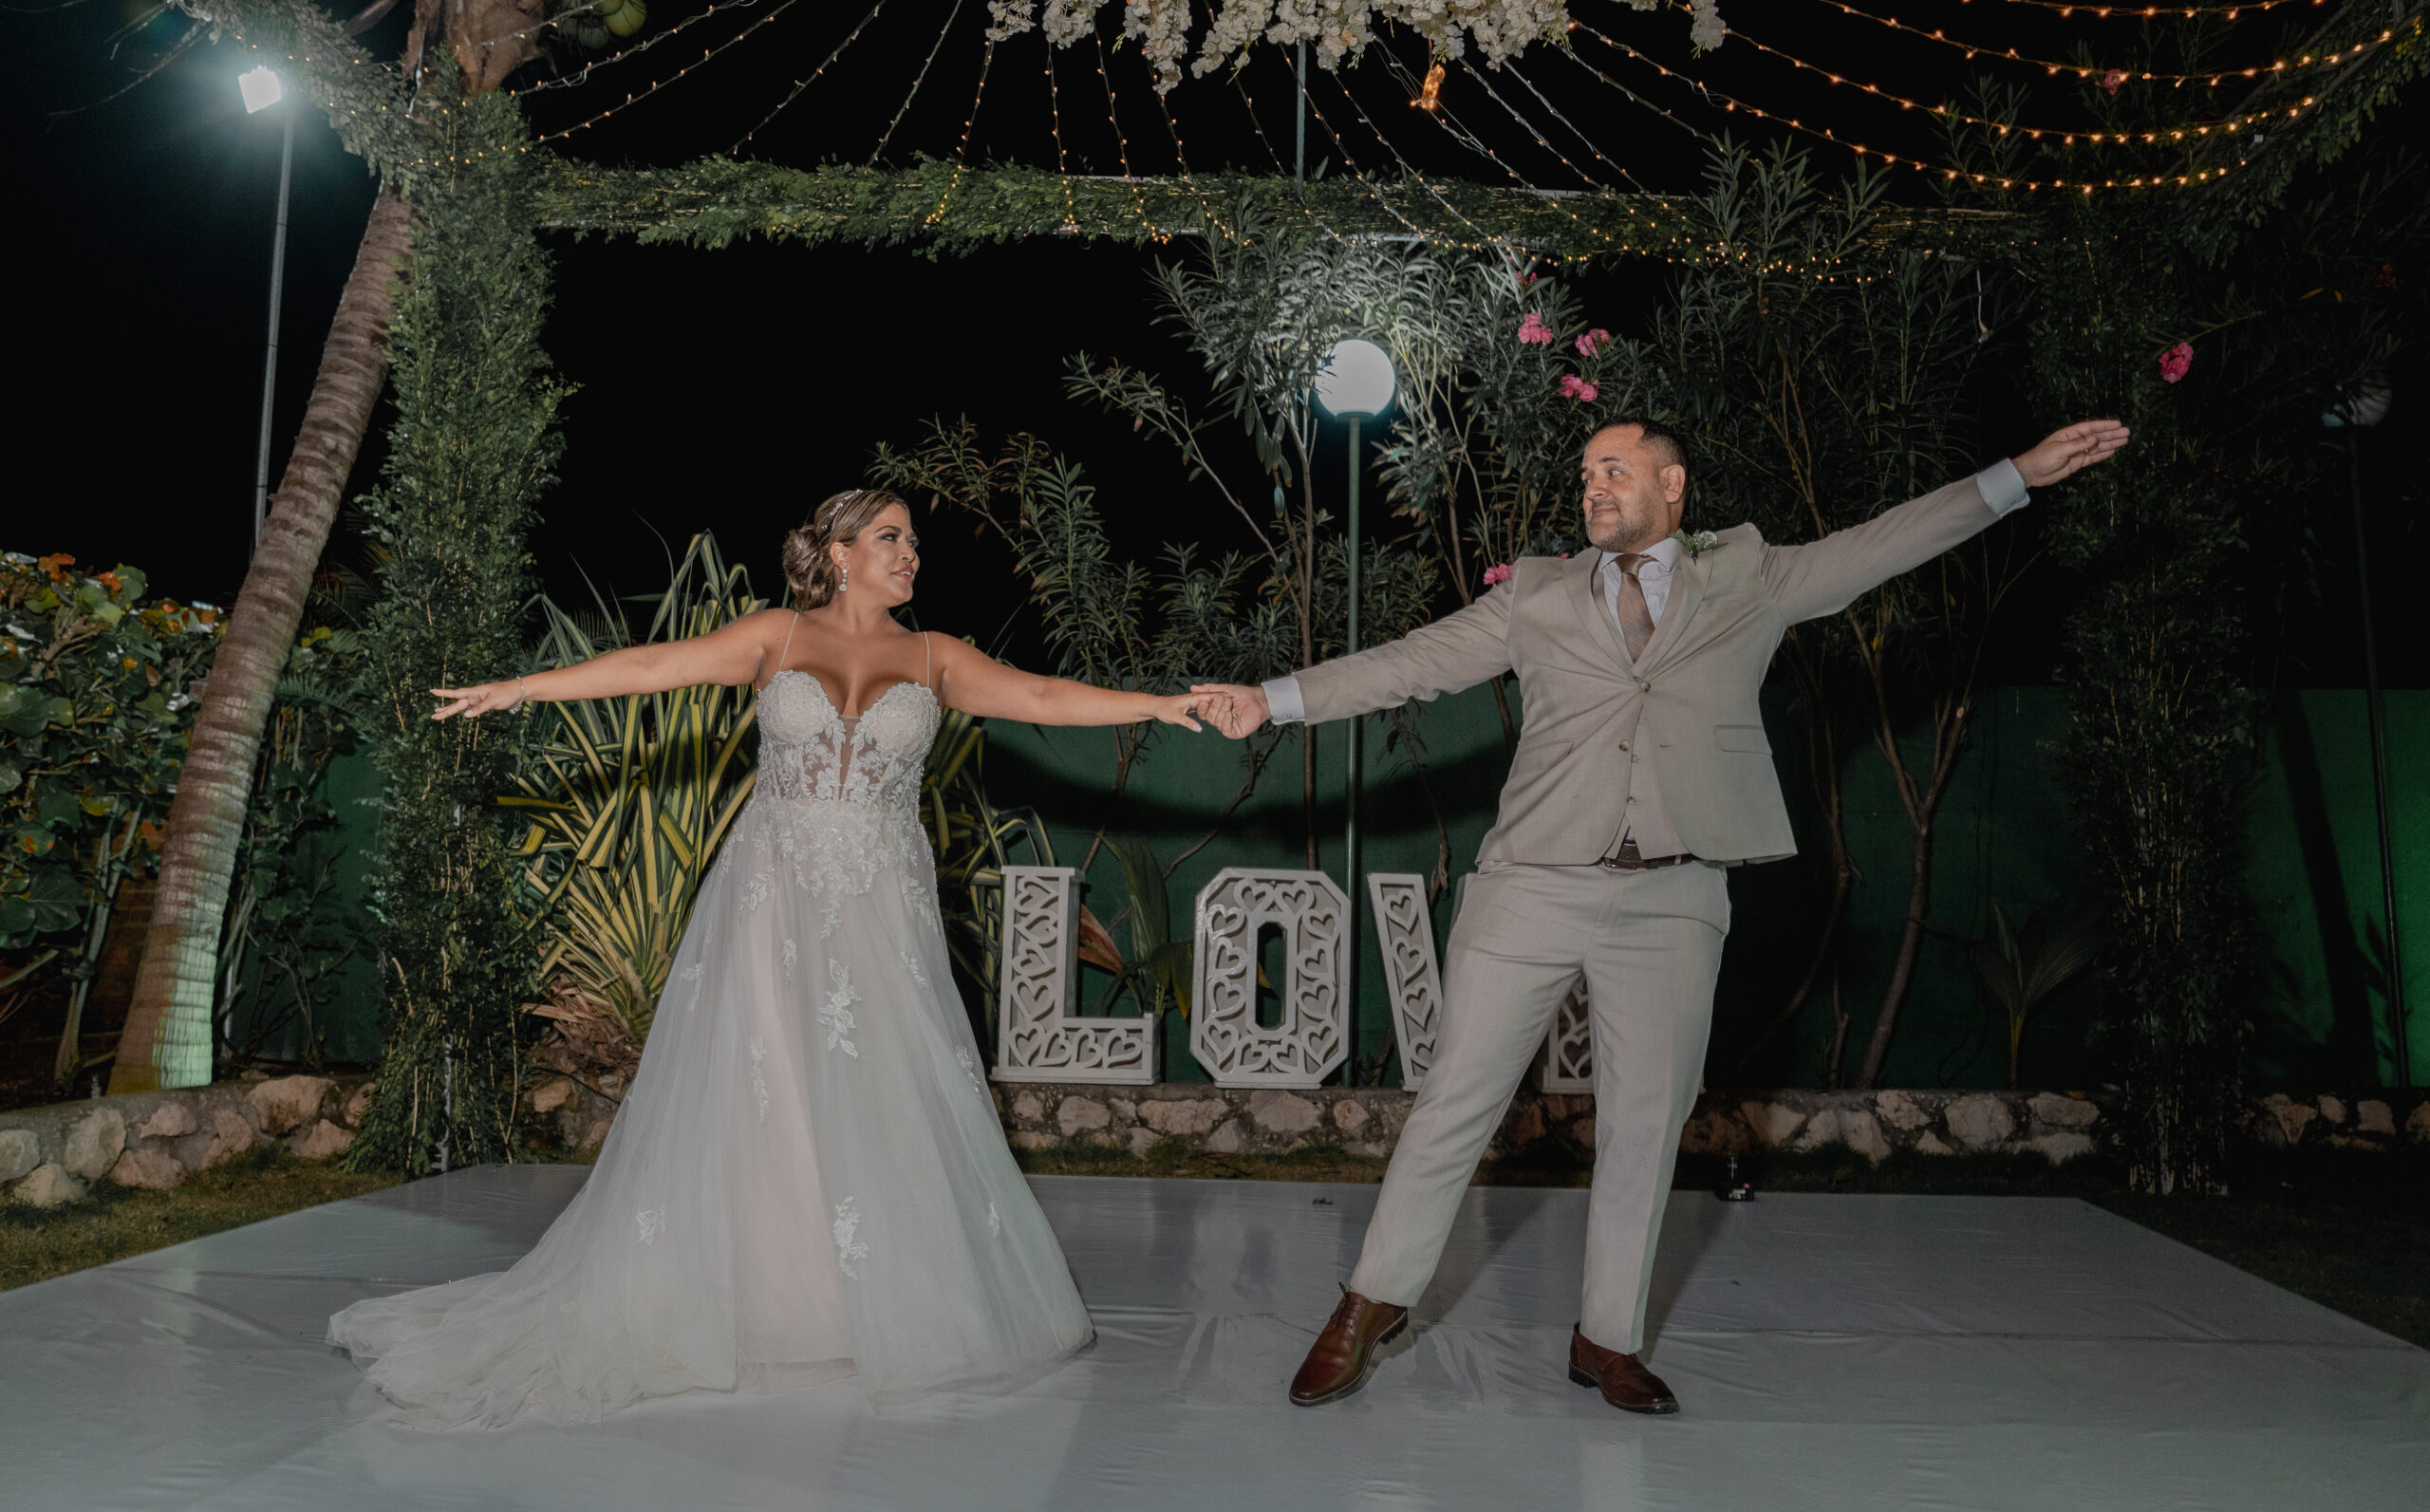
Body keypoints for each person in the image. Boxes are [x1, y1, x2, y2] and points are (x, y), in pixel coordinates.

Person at [1191, 416, 2129, 1416]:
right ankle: (1370, 1304)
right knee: (1454, 1099)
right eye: (1584, 472)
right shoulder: (1537, 593)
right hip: (1531, 883)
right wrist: (1273, 699)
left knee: (1645, 1122)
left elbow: (1883, 544)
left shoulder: (1751, 577)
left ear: (1672, 483)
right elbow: (1411, 662)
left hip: (1675, 897)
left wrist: (2015, 475)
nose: (1591, 486)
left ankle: (1607, 1338)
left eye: (1614, 469)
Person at [327, 489, 1210, 1428]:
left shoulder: (934, 655)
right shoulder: (775, 636)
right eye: (889, 537)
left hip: (880, 908)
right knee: (768, 1084)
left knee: (882, 1084)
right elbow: (655, 665)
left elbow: (1038, 695)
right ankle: (759, 1298)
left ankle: (868, 1302)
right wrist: (520, 688)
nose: (910, 552)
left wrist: (1157, 704)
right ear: (837, 552)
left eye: (912, 540)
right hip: (770, 896)